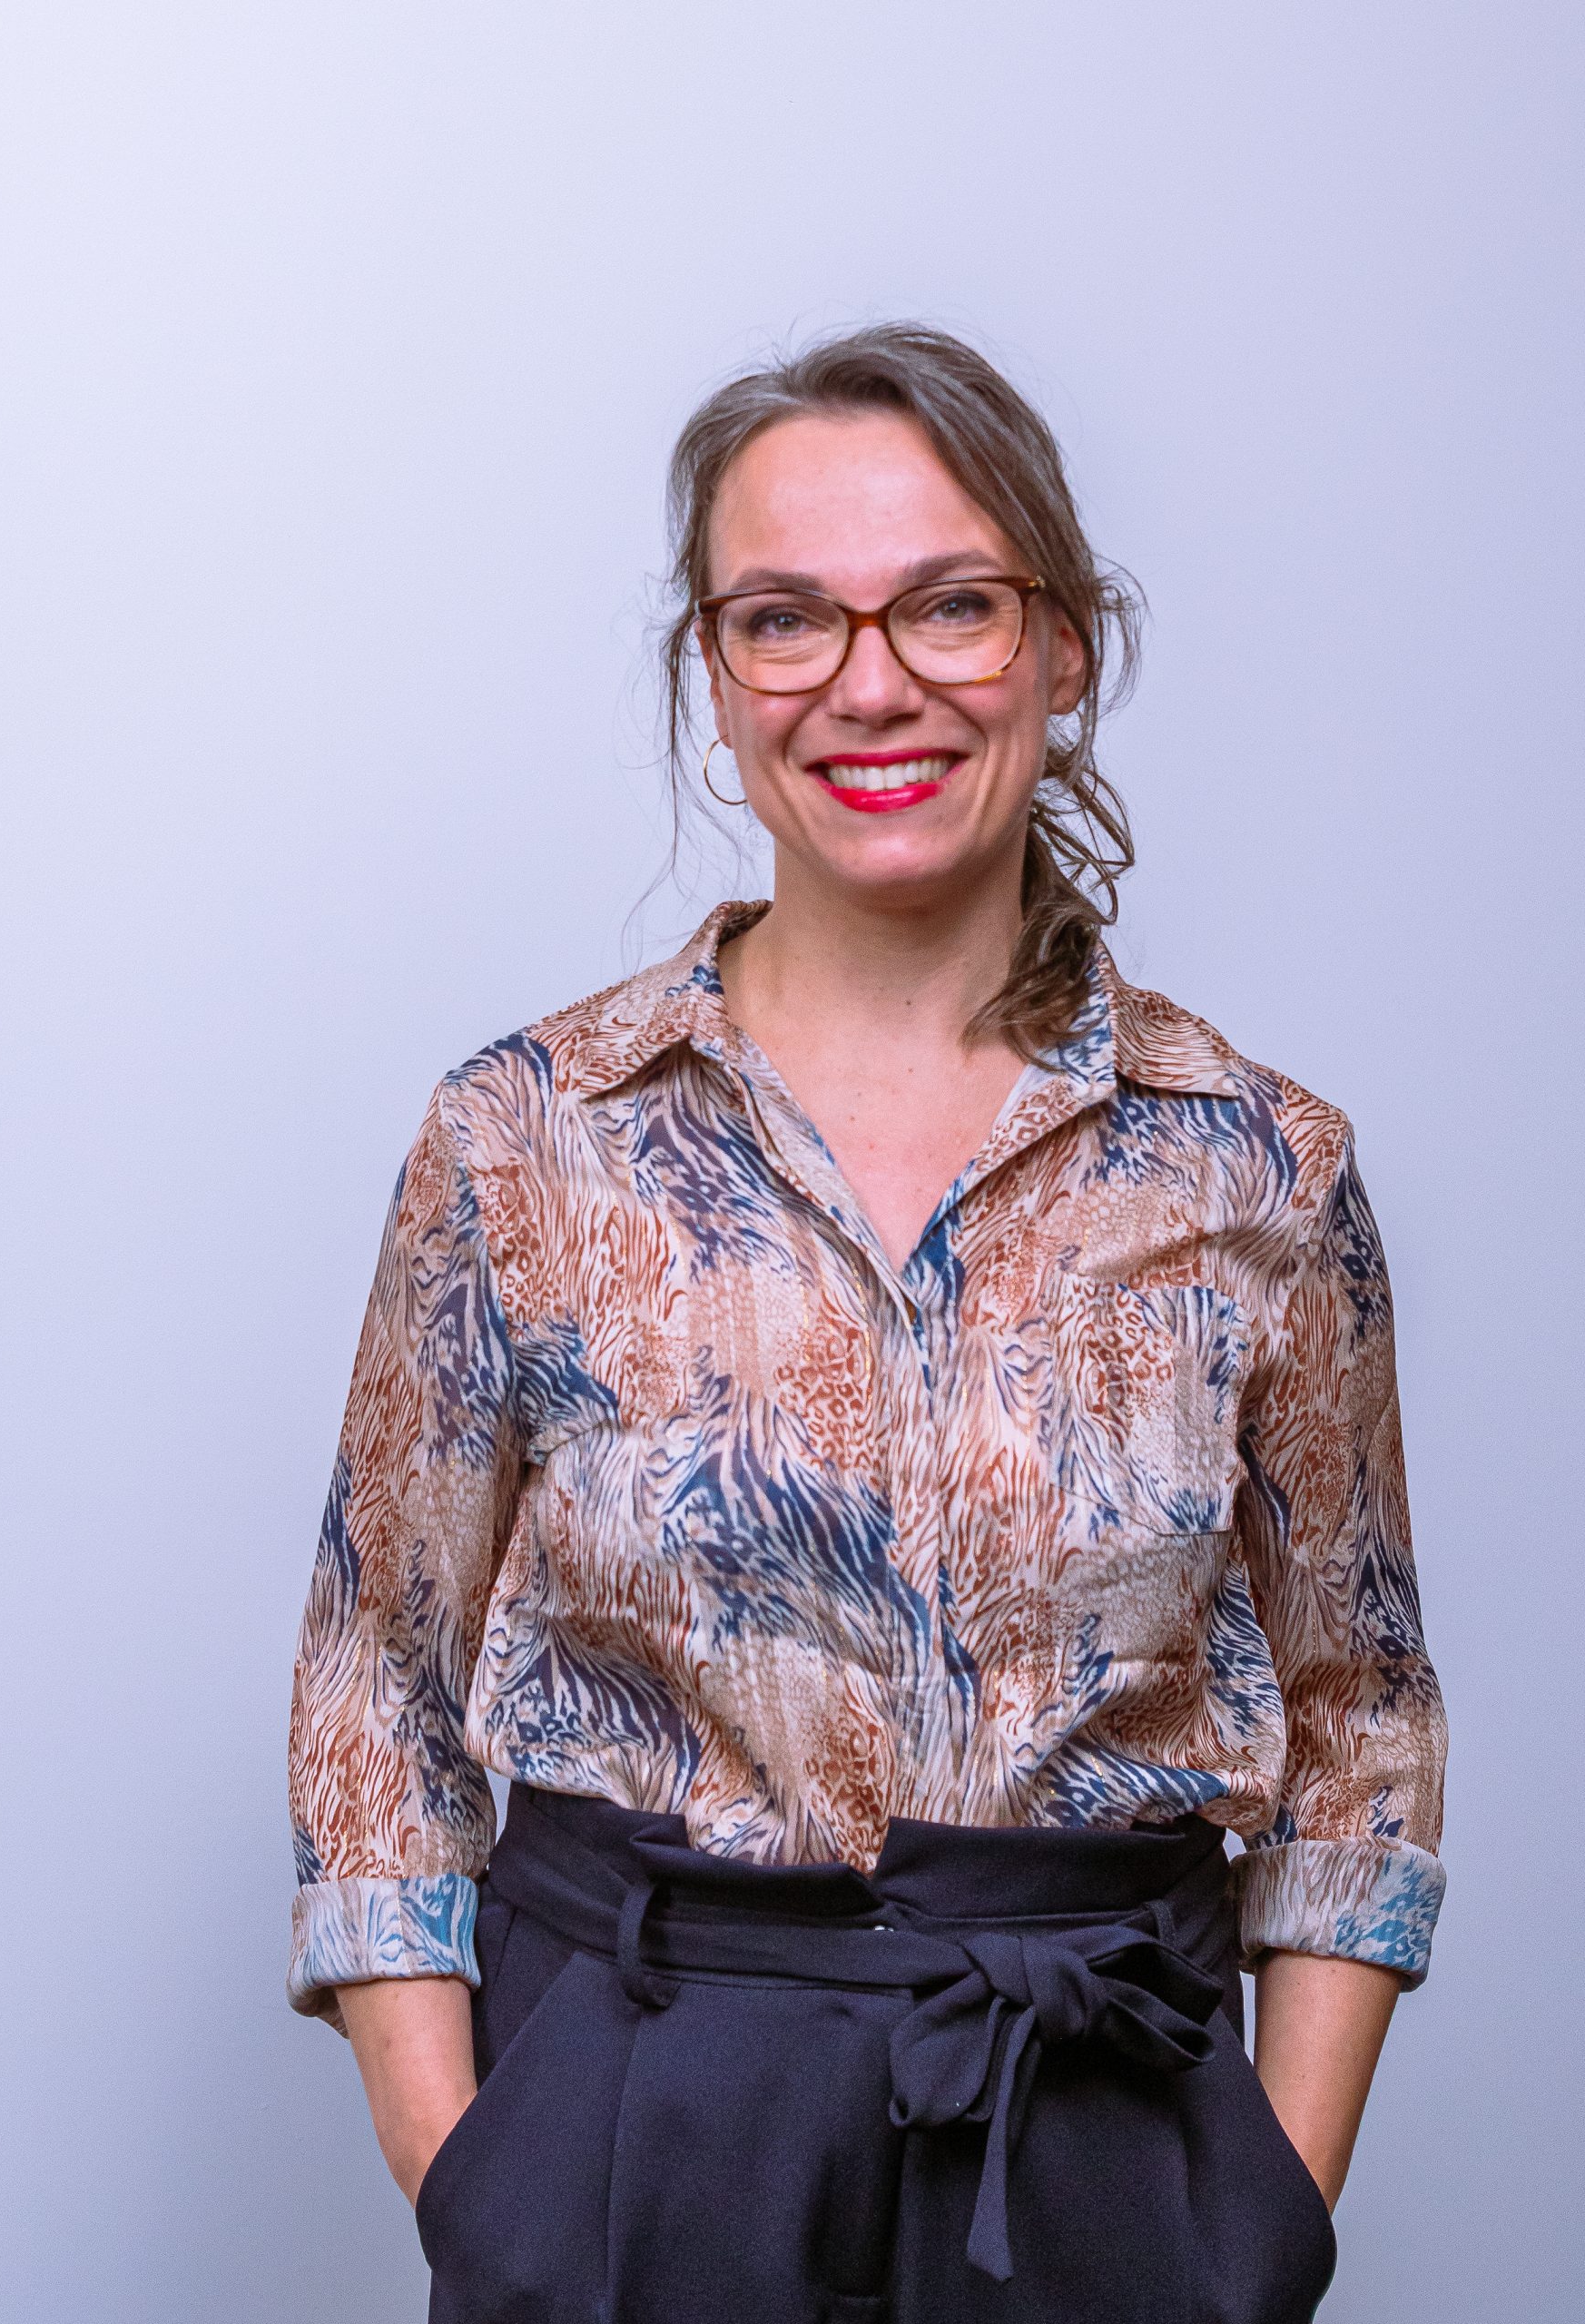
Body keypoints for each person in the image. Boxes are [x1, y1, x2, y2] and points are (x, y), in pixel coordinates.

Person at [286, 324, 1447, 2324]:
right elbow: (373, 1687)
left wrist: (1264, 2210)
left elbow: (1361, 1722)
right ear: (714, 678)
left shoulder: (1256, 1167)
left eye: (950, 604)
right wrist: (484, 2179)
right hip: (646, 2118)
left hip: (1094, 2119)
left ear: (1065, 644)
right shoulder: (523, 1142)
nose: (869, 681)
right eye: (783, 620)